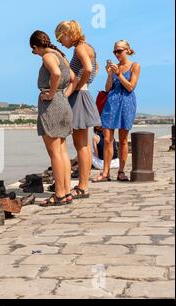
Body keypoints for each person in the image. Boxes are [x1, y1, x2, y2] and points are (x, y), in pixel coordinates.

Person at [55, 20, 101, 199]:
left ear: (68, 34)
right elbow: (94, 69)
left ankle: (82, 186)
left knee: (80, 145)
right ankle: (84, 184)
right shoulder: (88, 47)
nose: (61, 43)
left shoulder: (80, 48)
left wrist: (77, 86)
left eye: (61, 39)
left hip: (79, 97)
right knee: (84, 144)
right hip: (84, 95)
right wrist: (84, 83)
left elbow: (89, 69)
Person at [30, 30, 74, 206]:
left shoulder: (47, 56)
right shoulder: (60, 55)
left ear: (35, 46)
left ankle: (59, 194)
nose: (34, 54)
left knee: (54, 153)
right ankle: (67, 191)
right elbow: (72, 77)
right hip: (63, 103)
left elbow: (55, 74)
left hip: (52, 106)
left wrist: (51, 94)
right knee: (62, 152)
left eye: (33, 50)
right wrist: (63, 94)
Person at [93, 40, 141, 182]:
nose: (117, 54)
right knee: (107, 139)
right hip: (111, 103)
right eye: (115, 51)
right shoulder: (114, 68)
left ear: (127, 50)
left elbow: (130, 87)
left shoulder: (135, 66)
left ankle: (121, 171)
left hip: (127, 102)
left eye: (119, 51)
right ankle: (105, 173)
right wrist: (109, 75)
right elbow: (108, 89)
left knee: (124, 139)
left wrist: (119, 74)